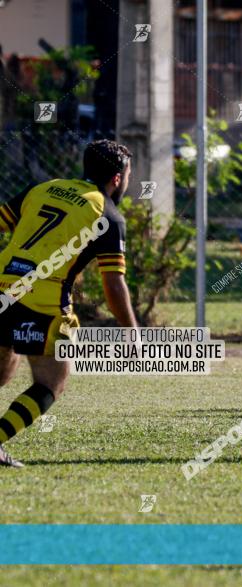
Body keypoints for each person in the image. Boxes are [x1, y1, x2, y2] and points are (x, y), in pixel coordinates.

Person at [0, 139, 138, 468]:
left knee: (3, 372)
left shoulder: (44, 188)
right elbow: (113, 283)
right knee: (52, 382)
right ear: (117, 179)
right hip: (44, 303)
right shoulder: (108, 214)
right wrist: (132, 332)